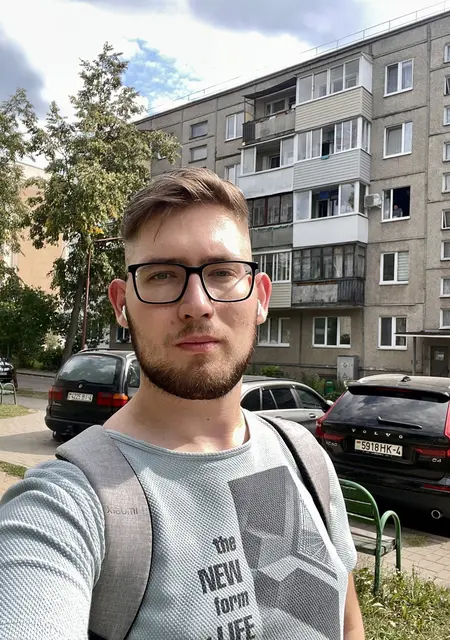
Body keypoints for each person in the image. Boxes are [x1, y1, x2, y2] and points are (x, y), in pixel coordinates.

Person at [0, 168, 364, 639]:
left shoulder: (304, 455)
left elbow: (348, 624)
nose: (196, 304)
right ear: (121, 304)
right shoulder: (66, 504)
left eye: (222, 272)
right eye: (162, 275)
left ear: (260, 298)